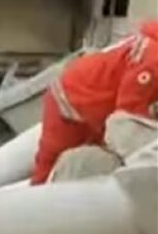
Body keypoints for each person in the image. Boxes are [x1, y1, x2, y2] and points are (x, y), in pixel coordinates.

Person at [31, 20, 158, 184]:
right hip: (72, 101)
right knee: (46, 171)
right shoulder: (152, 61)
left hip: (94, 100)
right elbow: (125, 126)